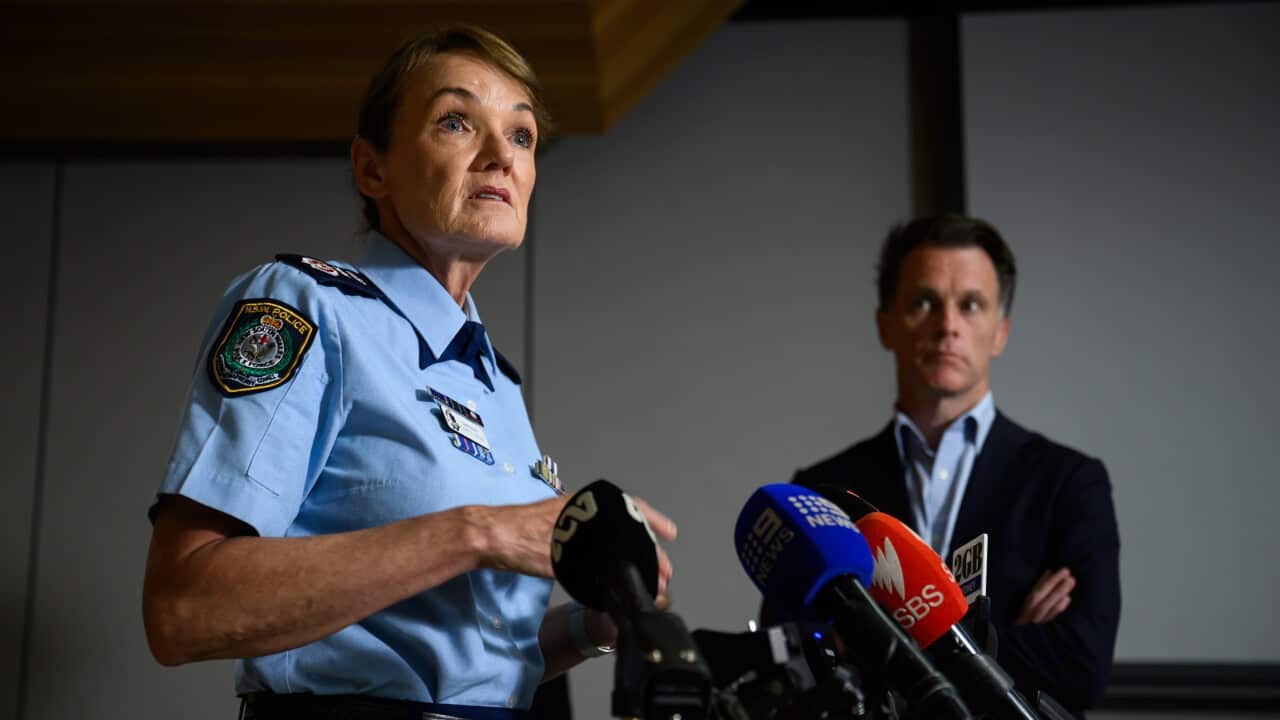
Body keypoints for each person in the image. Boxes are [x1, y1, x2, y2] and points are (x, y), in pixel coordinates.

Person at [141, 25, 675, 720]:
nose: (499, 158)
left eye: (521, 137)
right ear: (373, 170)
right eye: (456, 122)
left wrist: (589, 627)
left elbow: (456, 662)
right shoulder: (305, 307)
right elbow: (183, 608)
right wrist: (477, 533)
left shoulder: (495, 386)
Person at [791, 215, 1120, 717]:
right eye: (924, 302)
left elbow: (1081, 668)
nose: (948, 325)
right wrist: (993, 640)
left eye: (971, 305)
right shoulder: (821, 493)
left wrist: (879, 644)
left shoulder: (1069, 483)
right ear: (885, 324)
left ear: (1000, 331)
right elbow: (796, 667)